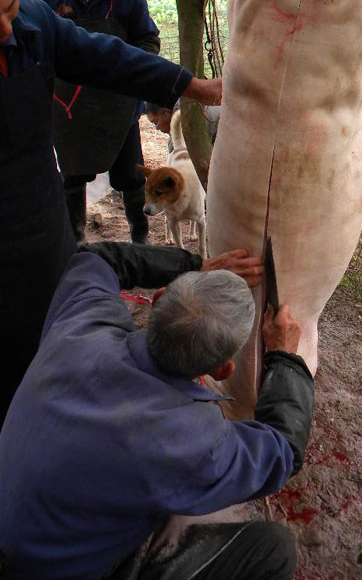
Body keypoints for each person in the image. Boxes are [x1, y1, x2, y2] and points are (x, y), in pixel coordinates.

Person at [0, 0, 223, 426]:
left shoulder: (38, 23)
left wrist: (192, 86)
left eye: (9, 9)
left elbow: (111, 56)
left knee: (55, 333)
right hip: (57, 143)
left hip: (46, 219)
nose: (5, 29)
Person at [0, 241, 313, 580]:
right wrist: (285, 358)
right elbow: (283, 452)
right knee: (273, 549)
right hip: (47, 572)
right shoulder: (186, 439)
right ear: (222, 370)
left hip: (15, 528)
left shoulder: (81, 323)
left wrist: (192, 266)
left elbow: (97, 258)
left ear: (159, 300)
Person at [35, 0, 162, 246]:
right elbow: (34, 42)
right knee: (71, 175)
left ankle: (140, 240)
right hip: (68, 107)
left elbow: (148, 41)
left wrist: (125, 67)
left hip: (118, 106)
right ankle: (76, 241)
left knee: (131, 176)